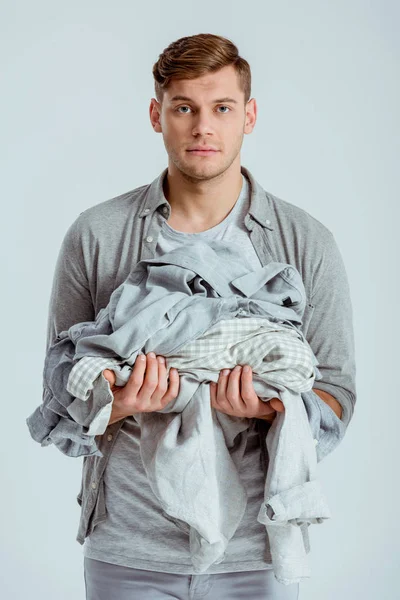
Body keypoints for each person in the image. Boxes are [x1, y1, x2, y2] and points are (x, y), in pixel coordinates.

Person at [35, 33, 356, 599]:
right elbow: (59, 394)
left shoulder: (306, 243)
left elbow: (335, 395)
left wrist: (270, 407)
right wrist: (117, 405)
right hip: (127, 550)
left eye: (221, 108)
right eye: (184, 108)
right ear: (157, 115)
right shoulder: (97, 235)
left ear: (249, 116)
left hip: (256, 553)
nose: (202, 126)